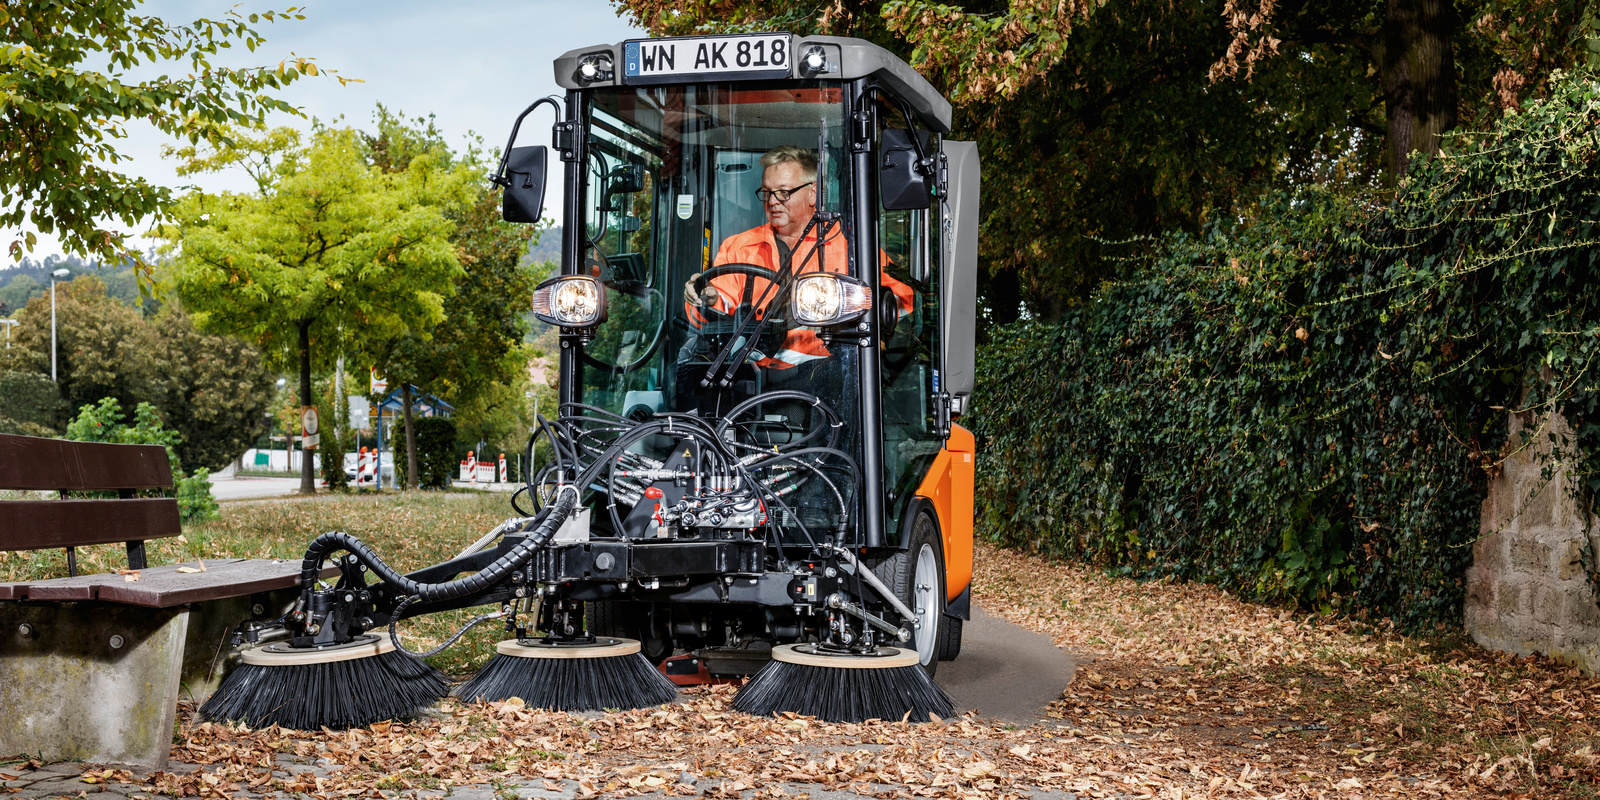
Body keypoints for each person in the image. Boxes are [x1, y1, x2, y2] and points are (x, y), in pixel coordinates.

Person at [683, 145, 913, 374]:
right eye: (766, 192)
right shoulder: (739, 246)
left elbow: (901, 301)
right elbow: (715, 308)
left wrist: (849, 309)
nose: (772, 201)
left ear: (813, 193)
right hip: (748, 369)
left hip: (827, 369)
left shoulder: (849, 246)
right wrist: (708, 299)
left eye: (784, 192)